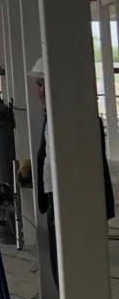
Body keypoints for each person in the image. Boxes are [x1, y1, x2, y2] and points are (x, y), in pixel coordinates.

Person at [32, 57, 115, 286]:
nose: (39, 92)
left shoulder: (75, 119)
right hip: (55, 199)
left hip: (69, 203)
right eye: (38, 85)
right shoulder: (53, 115)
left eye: (43, 84)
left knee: (69, 269)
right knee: (60, 267)